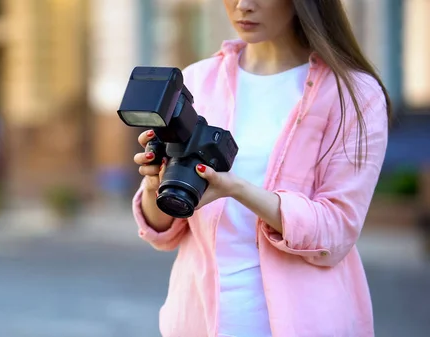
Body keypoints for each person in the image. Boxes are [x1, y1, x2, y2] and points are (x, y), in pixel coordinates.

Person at [131, 1, 390, 336]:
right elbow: (163, 230)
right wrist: (155, 185)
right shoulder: (197, 80)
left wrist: (236, 189)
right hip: (195, 324)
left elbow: (336, 231)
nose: (243, 5)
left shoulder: (352, 93)